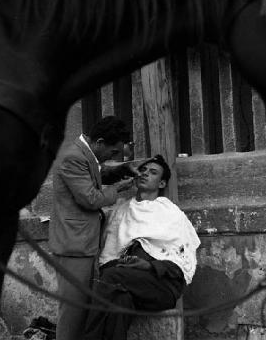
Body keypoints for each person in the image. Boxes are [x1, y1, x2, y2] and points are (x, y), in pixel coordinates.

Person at [83, 155, 201, 340]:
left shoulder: (170, 213)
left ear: (161, 184)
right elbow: (109, 249)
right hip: (125, 280)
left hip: (161, 286)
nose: (145, 174)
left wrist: (148, 265)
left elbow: (181, 260)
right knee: (120, 301)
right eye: (143, 170)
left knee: (111, 277)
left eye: (152, 172)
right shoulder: (122, 209)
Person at [49, 116, 138, 340]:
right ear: (99, 142)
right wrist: (117, 189)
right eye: (114, 151)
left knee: (84, 309)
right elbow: (89, 198)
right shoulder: (73, 157)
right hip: (74, 245)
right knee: (73, 311)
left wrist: (121, 170)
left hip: (84, 242)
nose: (114, 156)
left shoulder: (83, 154)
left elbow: (95, 175)